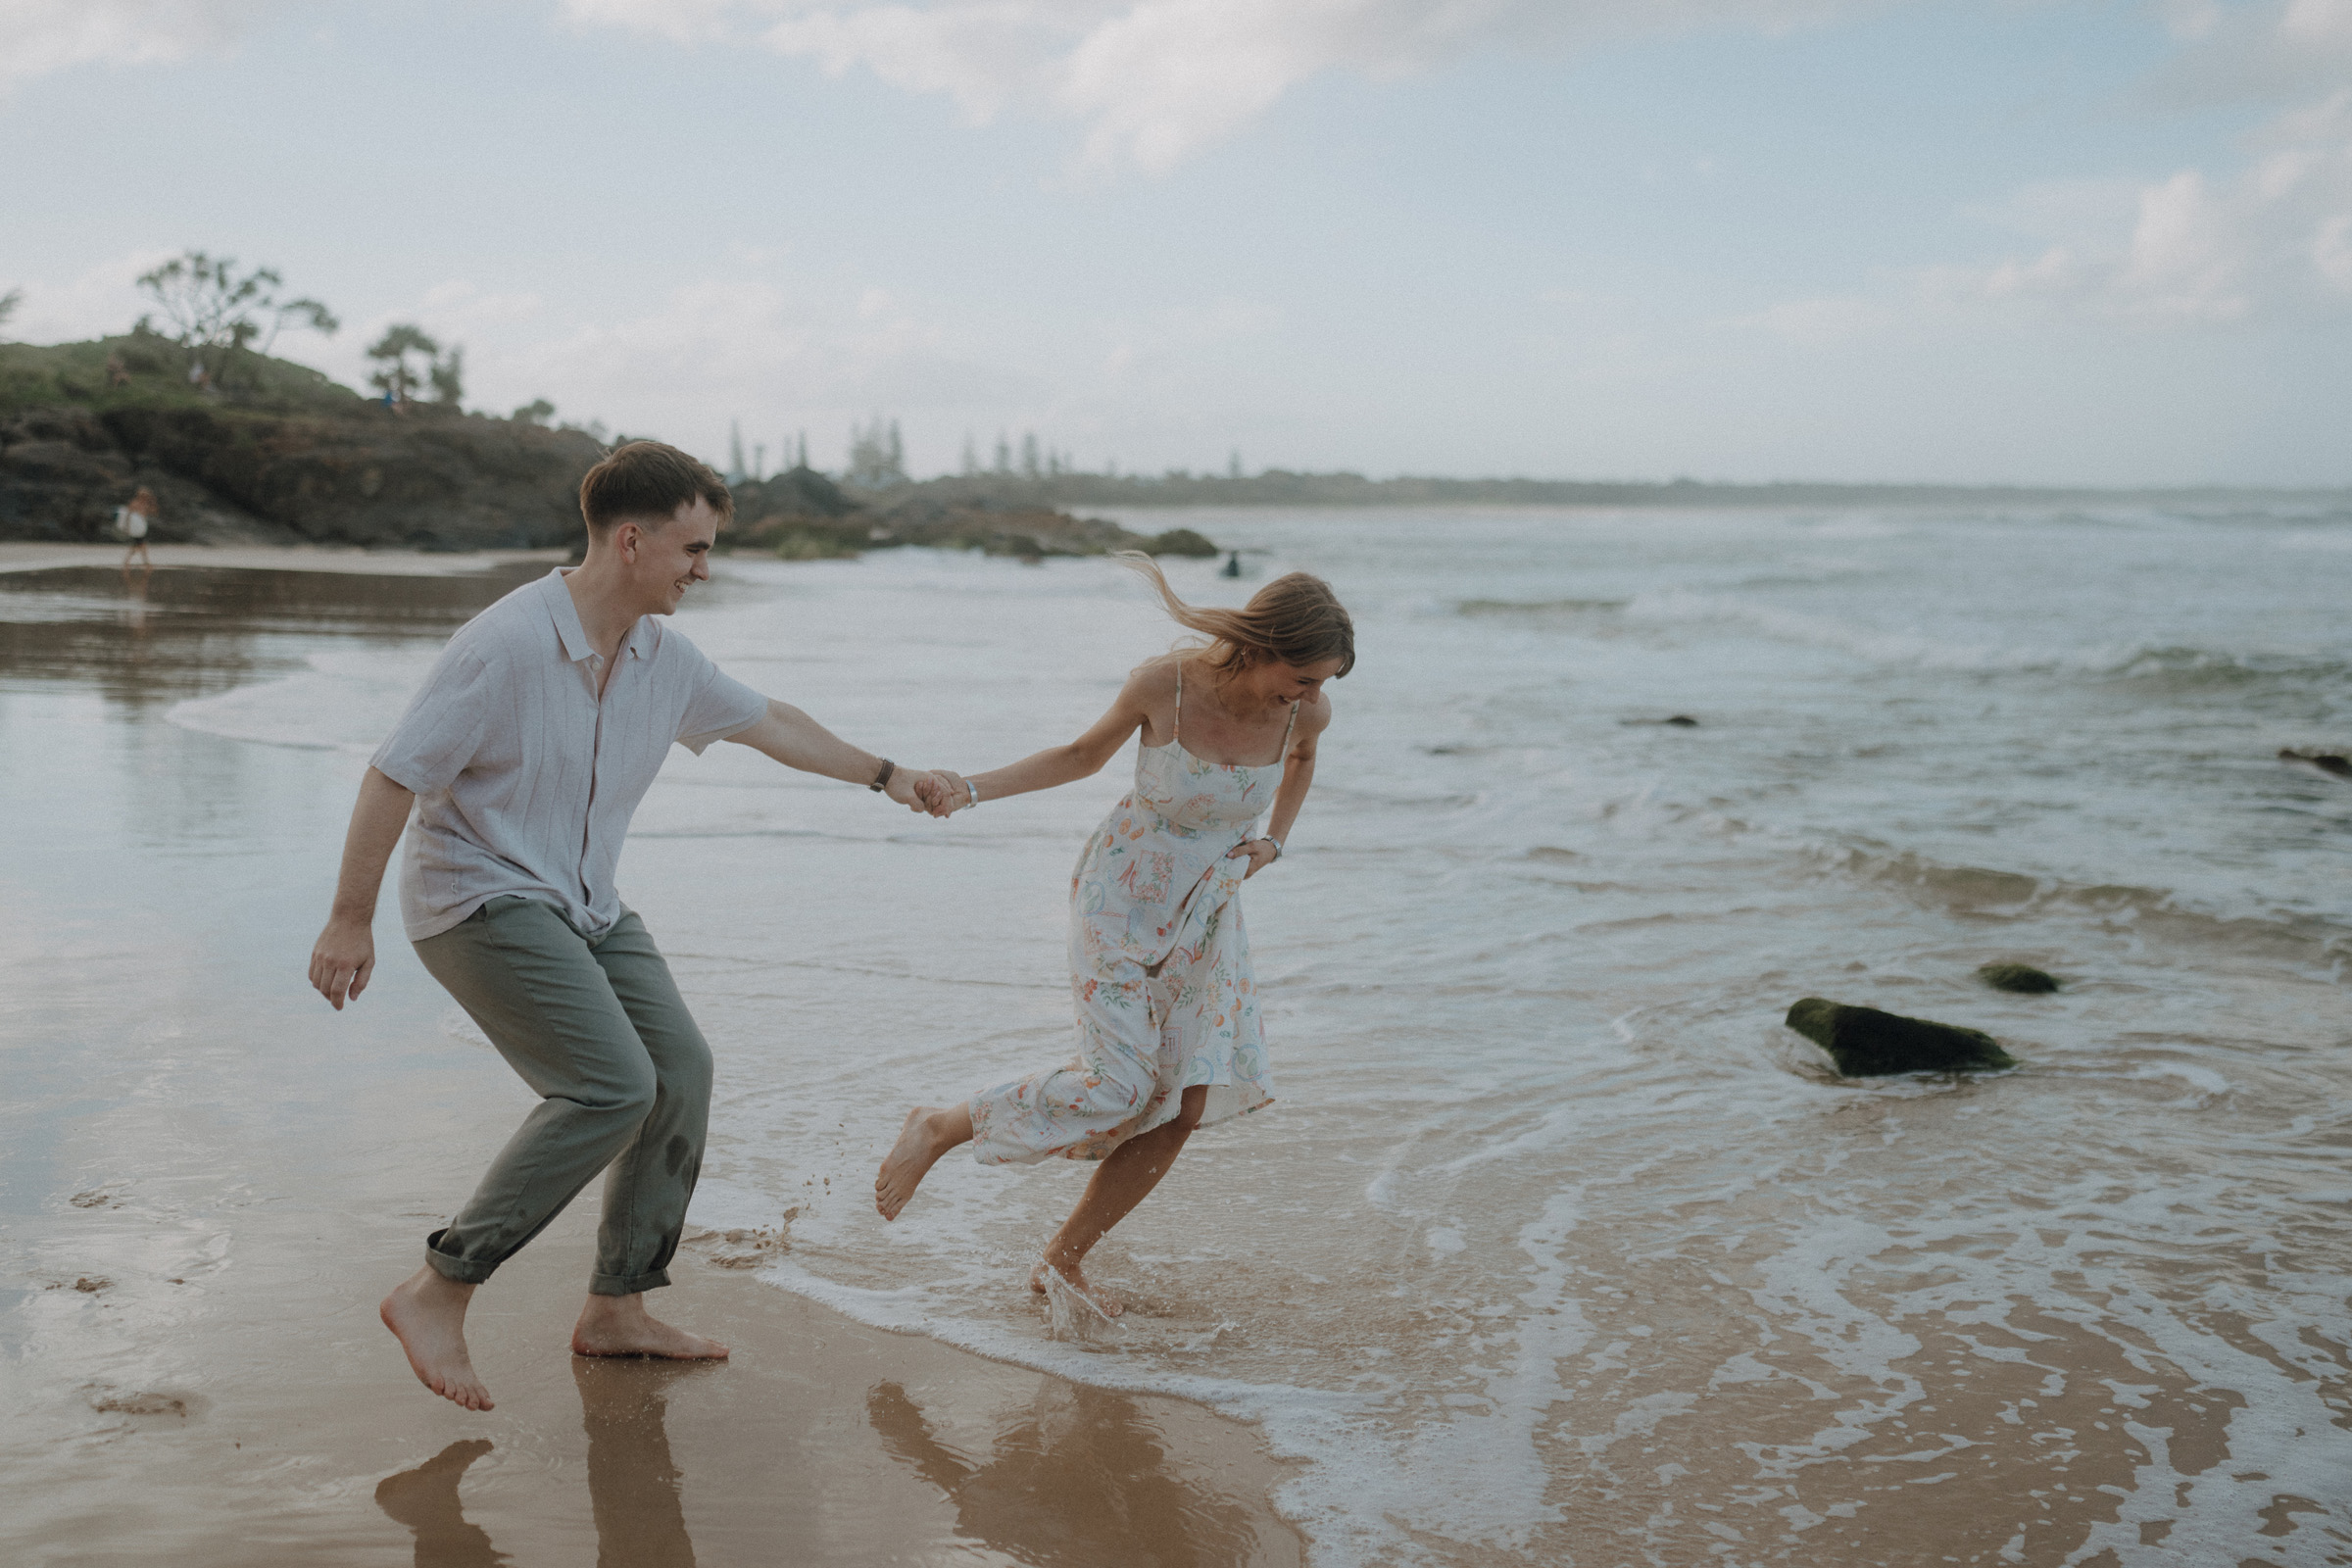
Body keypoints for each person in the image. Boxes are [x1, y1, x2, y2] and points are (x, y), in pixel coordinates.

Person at [308, 440, 955, 1411]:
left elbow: (770, 721)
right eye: (693, 549)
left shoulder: (663, 654)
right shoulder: (507, 642)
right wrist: (348, 921)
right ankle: (439, 1289)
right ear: (631, 540)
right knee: (610, 1086)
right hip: (476, 897)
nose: (705, 568)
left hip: (585, 903)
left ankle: (618, 1308)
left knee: (679, 1071)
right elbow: (395, 770)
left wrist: (888, 775)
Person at [873, 558, 1353, 1314]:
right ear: (1261, 645)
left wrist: (1275, 842)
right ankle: (942, 1125)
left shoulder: (1305, 715)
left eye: (1324, 683)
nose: (1314, 696)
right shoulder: (1165, 685)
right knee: (1122, 1085)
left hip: (1210, 915)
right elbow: (1079, 757)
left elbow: (1303, 761)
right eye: (1305, 676)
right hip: (1122, 899)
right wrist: (970, 788)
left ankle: (1062, 1260)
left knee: (1184, 1106)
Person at [120, 486, 156, 569]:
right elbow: (128, 515)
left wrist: (153, 502)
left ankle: (129, 562)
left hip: (141, 527)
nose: (146, 498)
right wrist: (127, 527)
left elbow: (153, 512)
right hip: (135, 528)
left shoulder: (145, 504)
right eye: (145, 496)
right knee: (141, 545)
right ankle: (145, 563)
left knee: (139, 545)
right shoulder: (135, 503)